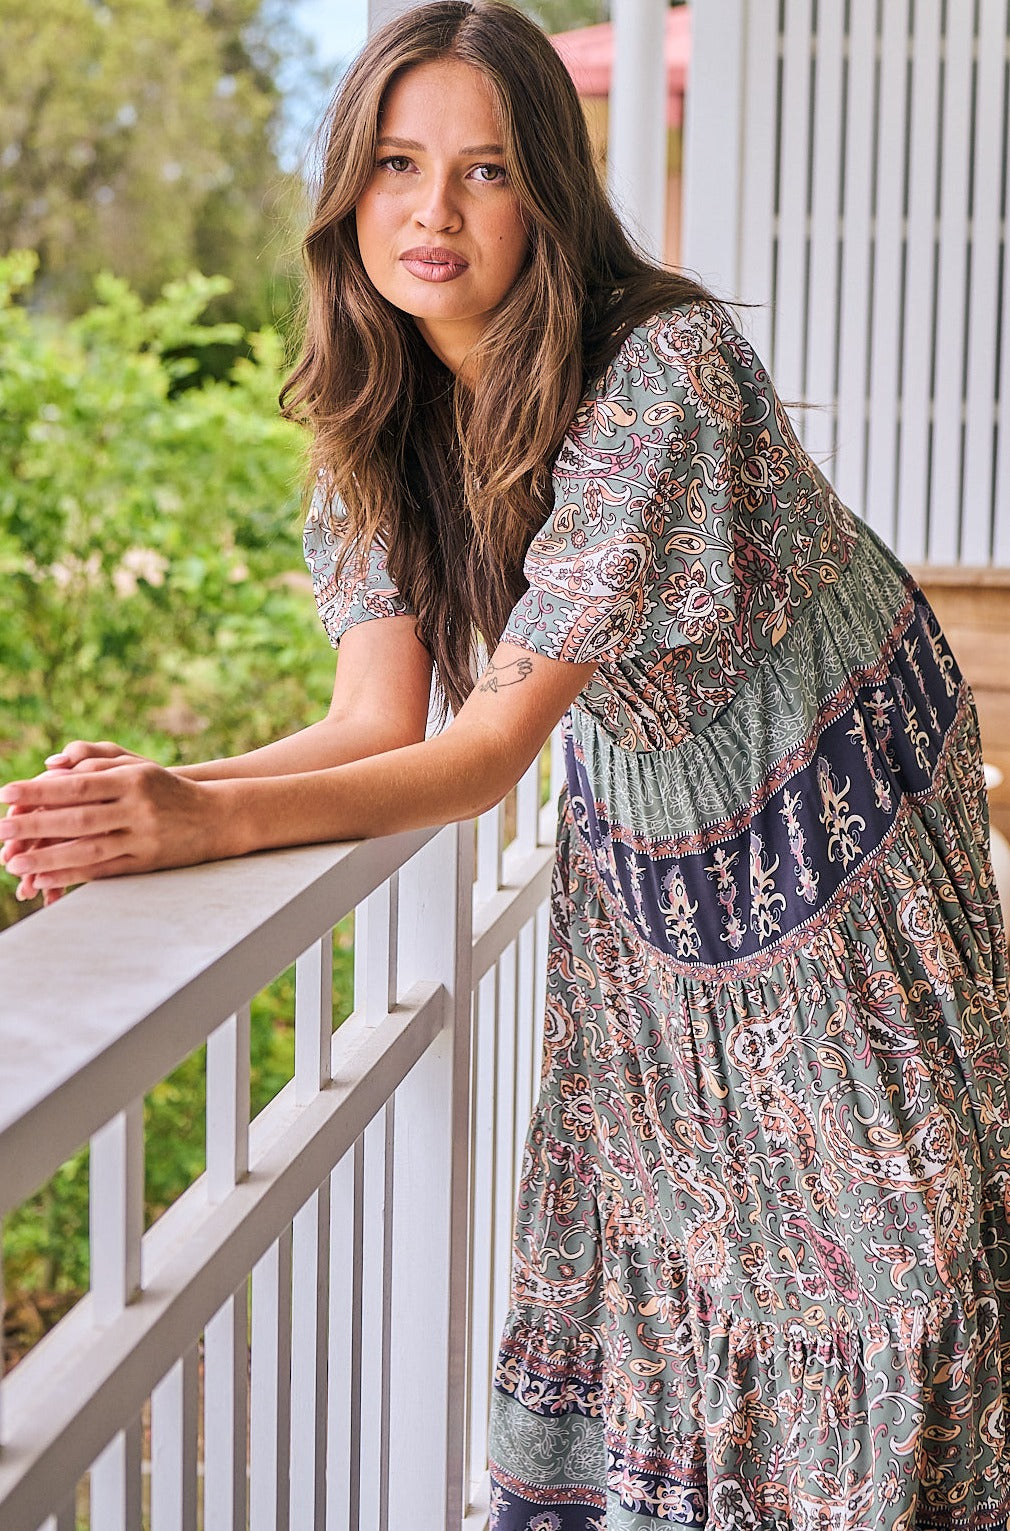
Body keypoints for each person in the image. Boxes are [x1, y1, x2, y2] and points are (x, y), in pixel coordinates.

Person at [3, 2, 1010, 1525]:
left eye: (484, 171)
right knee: (681, 1240)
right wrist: (170, 793)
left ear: (547, 195)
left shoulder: (662, 369)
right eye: (398, 165)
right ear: (348, 188)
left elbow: (481, 755)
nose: (434, 212)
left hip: (834, 803)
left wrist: (196, 823)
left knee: (902, 1258)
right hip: (655, 831)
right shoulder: (377, 418)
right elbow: (374, 721)